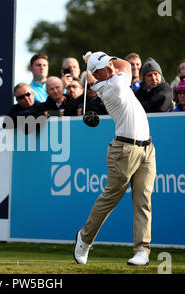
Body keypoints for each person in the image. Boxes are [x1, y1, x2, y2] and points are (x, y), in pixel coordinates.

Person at [74, 51, 156, 266]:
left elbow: (119, 64)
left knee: (143, 201)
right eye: (104, 69)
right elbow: (126, 65)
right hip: (124, 151)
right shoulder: (113, 86)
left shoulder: (109, 78)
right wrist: (93, 58)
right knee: (111, 198)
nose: (111, 69)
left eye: (110, 64)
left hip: (147, 149)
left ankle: (142, 251)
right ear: (97, 75)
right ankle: (85, 238)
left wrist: (96, 59)